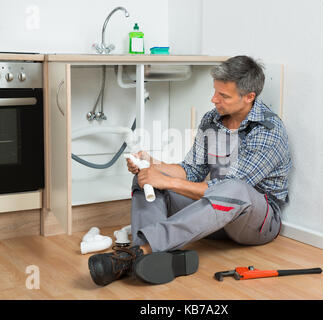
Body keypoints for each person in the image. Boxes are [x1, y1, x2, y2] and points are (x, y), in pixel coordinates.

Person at [88, 55, 292, 286]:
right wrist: (152, 165)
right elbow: (191, 171)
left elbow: (228, 188)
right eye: (215, 91)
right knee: (146, 179)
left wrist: (170, 183)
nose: (214, 99)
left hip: (256, 223)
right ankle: (140, 256)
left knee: (234, 189)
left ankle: (142, 251)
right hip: (216, 215)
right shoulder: (212, 120)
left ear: (249, 97)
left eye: (223, 95)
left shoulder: (268, 131)